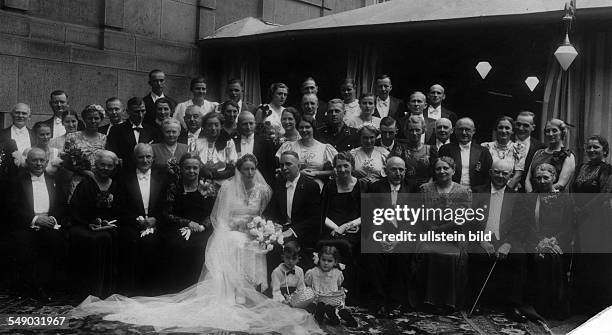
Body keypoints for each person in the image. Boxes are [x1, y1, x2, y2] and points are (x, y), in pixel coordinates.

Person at [70, 153, 321, 334]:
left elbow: (265, 214)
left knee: (255, 240)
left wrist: (260, 227)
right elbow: (219, 218)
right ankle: (233, 293)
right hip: (229, 229)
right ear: (238, 170)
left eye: (252, 169)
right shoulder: (227, 189)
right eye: (245, 169)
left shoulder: (263, 190)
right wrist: (237, 228)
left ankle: (252, 290)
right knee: (235, 239)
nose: (249, 173)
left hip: (251, 229)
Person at [513, 163, 575, 319]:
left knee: (553, 257)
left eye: (546, 177)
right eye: (538, 178)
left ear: (553, 178)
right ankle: (538, 306)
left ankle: (555, 307)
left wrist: (554, 241)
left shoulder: (564, 199)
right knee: (540, 258)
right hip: (533, 241)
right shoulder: (528, 199)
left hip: (558, 243)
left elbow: (569, 225)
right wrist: (540, 242)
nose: (542, 181)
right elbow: (525, 225)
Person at [469, 160, 528, 322]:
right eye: (497, 172)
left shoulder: (516, 197)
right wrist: (480, 239)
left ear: (510, 176)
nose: (500, 176)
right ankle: (479, 301)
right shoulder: (477, 192)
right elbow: (468, 220)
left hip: (505, 240)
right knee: (478, 255)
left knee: (519, 256)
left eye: (504, 173)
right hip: (480, 238)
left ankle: (512, 305)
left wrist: (508, 243)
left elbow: (520, 225)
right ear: (490, 172)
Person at [9, 147, 66, 301]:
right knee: (23, 243)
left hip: (49, 223)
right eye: (34, 160)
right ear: (27, 162)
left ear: (47, 161)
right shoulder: (17, 181)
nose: (39, 163)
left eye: (42, 160)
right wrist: (34, 219)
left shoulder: (54, 179)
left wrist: (53, 219)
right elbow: (12, 208)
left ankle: (44, 286)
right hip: (26, 224)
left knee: (54, 241)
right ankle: (28, 287)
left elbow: (62, 205)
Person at [362, 156, 416, 316]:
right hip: (379, 233)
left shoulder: (412, 188)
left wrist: (398, 239)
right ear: (386, 171)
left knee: (401, 255)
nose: (398, 173)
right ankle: (379, 300)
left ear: (405, 171)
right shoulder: (375, 187)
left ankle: (395, 301)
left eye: (401, 169)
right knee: (373, 255)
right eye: (394, 169)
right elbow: (369, 216)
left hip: (403, 234)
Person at [417, 157, 471, 313]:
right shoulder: (425, 189)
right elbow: (421, 215)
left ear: (453, 170)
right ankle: (429, 301)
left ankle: (449, 302)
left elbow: (461, 219)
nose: (442, 171)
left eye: (446, 168)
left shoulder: (463, 191)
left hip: (454, 236)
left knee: (452, 255)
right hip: (429, 233)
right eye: (438, 168)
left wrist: (440, 230)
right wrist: (431, 230)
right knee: (430, 252)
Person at [69, 150, 121, 299]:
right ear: (95, 166)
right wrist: (89, 223)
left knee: (111, 236)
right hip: (84, 225)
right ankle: (91, 289)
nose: (105, 168)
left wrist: (109, 222)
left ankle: (109, 289)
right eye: (102, 165)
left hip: (110, 226)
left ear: (114, 168)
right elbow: (75, 210)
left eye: (109, 166)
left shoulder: (117, 186)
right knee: (97, 239)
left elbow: (121, 209)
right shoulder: (85, 185)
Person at [162, 153, 215, 292]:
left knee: (201, 247)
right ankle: (178, 288)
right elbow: (167, 213)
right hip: (179, 228)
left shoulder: (207, 186)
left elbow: (213, 213)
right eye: (187, 168)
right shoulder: (174, 187)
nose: (191, 171)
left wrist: (203, 226)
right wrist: (187, 223)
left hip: (201, 229)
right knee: (177, 246)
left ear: (199, 169)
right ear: (181, 169)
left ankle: (197, 289)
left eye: (195, 167)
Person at [572, 135, 612, 311]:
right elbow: (572, 189)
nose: (591, 150)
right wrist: (574, 207)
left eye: (596, 147)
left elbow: (604, 194)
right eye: (589, 147)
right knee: (582, 259)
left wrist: (584, 210)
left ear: (605, 150)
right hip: (579, 220)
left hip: (598, 221)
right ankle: (581, 303)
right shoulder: (582, 166)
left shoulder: (608, 170)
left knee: (597, 261)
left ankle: (597, 306)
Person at [320, 152, 363, 304]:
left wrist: (348, 226)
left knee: (348, 246)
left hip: (355, 229)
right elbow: (321, 214)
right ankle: (327, 294)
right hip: (332, 228)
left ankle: (349, 294)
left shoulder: (361, 185)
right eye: (339, 166)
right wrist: (337, 228)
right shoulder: (330, 186)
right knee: (331, 246)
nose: (343, 170)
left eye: (346, 166)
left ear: (352, 166)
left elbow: (368, 212)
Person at [265, 151, 321, 256]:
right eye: (281, 165)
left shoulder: (311, 186)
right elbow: (270, 210)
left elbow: (314, 218)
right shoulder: (278, 184)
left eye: (288, 164)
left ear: (299, 166)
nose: (284, 168)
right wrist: (273, 224)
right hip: (281, 229)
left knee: (278, 246)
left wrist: (293, 230)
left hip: (301, 232)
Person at [305, 244, 358, 327]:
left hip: (332, 300)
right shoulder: (313, 272)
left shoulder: (337, 273)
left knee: (336, 308)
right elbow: (308, 284)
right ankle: (321, 315)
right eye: (323, 260)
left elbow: (338, 285)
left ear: (335, 262)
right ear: (319, 259)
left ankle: (335, 316)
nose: (326, 263)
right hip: (317, 299)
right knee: (314, 306)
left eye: (329, 261)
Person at [276, 118, 337, 189]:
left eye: (307, 127)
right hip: (294, 186)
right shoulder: (289, 146)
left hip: (317, 187)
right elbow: (281, 168)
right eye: (301, 127)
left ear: (313, 128)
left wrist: (317, 173)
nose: (304, 130)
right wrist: (299, 173)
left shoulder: (324, 148)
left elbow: (336, 170)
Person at [64, 104, 107, 199]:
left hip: (98, 182)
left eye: (96, 118)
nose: (93, 121)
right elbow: (66, 162)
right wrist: (84, 171)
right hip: (78, 181)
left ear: (101, 119)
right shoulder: (72, 137)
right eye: (89, 118)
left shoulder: (105, 139)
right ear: (83, 119)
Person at [439, 117, 493, 191]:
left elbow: (488, 177)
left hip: (476, 194)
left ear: (473, 131)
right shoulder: (445, 149)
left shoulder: (483, 151)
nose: (464, 133)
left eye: (467, 129)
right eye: (460, 129)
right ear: (455, 131)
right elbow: (439, 173)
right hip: (450, 192)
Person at [525, 119, 576, 193]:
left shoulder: (568, 156)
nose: (551, 134)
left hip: (555, 199)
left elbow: (561, 184)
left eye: (554, 130)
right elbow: (528, 179)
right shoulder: (538, 153)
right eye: (548, 131)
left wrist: (539, 194)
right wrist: (531, 196)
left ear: (562, 132)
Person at [106, 97, 157, 171]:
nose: (140, 115)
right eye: (136, 112)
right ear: (128, 111)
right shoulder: (116, 130)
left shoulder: (151, 130)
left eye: (143, 111)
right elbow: (112, 153)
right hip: (124, 173)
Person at [231, 111, 277, 185]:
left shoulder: (265, 142)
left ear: (255, 124)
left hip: (259, 185)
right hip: (237, 183)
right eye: (244, 124)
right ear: (238, 125)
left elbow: (270, 168)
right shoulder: (232, 142)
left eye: (251, 123)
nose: (248, 127)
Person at [391, 115, 438, 187]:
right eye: (411, 130)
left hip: (427, 188)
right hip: (404, 189)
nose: (414, 133)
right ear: (406, 131)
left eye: (417, 130)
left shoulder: (431, 149)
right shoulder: (400, 149)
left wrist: (428, 185)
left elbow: (435, 172)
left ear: (423, 130)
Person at [481, 116, 526, 190]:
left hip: (509, 191)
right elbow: (483, 173)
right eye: (501, 127)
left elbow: (518, 175)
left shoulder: (519, 148)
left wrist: (505, 191)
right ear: (496, 129)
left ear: (512, 131)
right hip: (488, 190)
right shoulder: (485, 147)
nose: (504, 131)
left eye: (507, 128)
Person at [196, 112, 237, 183]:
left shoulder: (228, 142)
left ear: (221, 126)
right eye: (209, 125)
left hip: (224, 182)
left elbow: (232, 165)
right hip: (201, 182)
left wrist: (218, 175)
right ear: (204, 127)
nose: (213, 128)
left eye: (216, 125)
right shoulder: (197, 143)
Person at [514, 111, 545, 192]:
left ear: (533, 127)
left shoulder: (540, 147)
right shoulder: (505, 142)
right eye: (518, 124)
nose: (521, 128)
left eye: (525, 125)